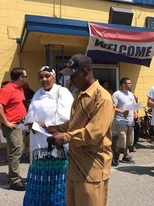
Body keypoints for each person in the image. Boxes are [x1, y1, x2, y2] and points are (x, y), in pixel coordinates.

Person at [48, 54, 115, 206]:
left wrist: (65, 137)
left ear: (86, 73)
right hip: (75, 166)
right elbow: (75, 122)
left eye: (73, 76)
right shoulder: (79, 95)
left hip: (92, 167)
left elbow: (94, 133)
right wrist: (58, 128)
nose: (71, 80)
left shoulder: (102, 98)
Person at [23, 66, 73, 206]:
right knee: (40, 177)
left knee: (57, 179)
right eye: (41, 77)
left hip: (57, 141)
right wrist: (28, 123)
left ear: (53, 77)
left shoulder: (62, 92)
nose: (44, 79)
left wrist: (44, 123)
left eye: (47, 76)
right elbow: (31, 115)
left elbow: (67, 117)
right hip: (39, 144)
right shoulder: (37, 94)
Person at [0, 67, 28, 191]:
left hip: (20, 125)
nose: (26, 78)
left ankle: (15, 176)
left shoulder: (19, 89)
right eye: (25, 76)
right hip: (13, 126)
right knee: (16, 150)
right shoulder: (8, 88)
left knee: (19, 149)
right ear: (20, 77)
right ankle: (14, 181)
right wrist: (6, 121)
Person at [112, 77, 136, 166]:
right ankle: (116, 155)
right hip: (120, 120)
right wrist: (121, 111)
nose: (130, 84)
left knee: (129, 141)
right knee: (122, 138)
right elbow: (112, 107)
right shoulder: (116, 94)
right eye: (129, 83)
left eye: (130, 83)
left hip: (130, 120)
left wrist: (136, 113)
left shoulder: (131, 94)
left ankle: (126, 156)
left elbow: (133, 106)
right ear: (123, 85)